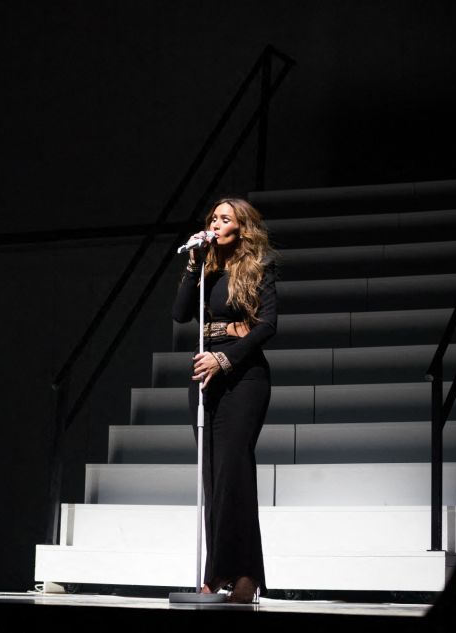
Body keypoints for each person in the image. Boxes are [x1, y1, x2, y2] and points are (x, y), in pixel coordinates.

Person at [171, 197, 277, 603]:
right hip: (205, 376)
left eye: (225, 218)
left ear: (242, 227)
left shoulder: (259, 268)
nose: (216, 223)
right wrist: (193, 264)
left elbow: (269, 325)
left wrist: (226, 358)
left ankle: (247, 576)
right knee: (213, 477)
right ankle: (216, 575)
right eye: (212, 218)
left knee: (235, 472)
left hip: (243, 375)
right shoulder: (206, 268)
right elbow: (181, 314)